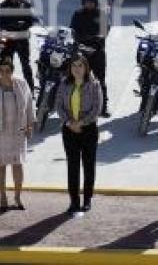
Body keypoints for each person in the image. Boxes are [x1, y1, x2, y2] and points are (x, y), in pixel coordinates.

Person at [0, 57, 35, 210]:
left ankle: (18, 197)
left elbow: (30, 105)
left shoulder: (22, 85)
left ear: (12, 71)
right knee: (0, 165)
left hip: (18, 130)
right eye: (2, 71)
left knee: (18, 164)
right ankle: (3, 196)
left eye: (8, 71)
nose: (5, 74)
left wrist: (30, 125)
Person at [55, 54, 102, 214]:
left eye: (80, 65)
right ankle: (74, 201)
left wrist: (81, 123)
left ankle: (87, 199)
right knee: (72, 166)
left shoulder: (94, 84)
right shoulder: (64, 84)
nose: (77, 69)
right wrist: (69, 123)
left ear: (86, 68)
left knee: (89, 166)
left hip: (88, 129)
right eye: (74, 66)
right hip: (69, 130)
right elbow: (59, 106)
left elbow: (97, 109)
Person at [69, 0, 110, 118]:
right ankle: (74, 105)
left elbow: (104, 32)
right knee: (76, 79)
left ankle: (103, 107)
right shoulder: (77, 14)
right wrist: (80, 40)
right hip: (81, 51)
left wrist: (92, 38)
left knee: (100, 80)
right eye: (86, 1)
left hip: (97, 51)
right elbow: (73, 31)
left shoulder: (102, 15)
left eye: (91, 1)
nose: (89, 3)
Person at [0, 0, 36, 92]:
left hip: (22, 39)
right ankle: (5, 86)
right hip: (8, 39)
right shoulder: (3, 5)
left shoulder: (26, 5)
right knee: (5, 64)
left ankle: (30, 89)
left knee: (26, 65)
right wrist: (14, 25)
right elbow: (0, 23)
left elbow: (30, 21)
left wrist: (21, 25)